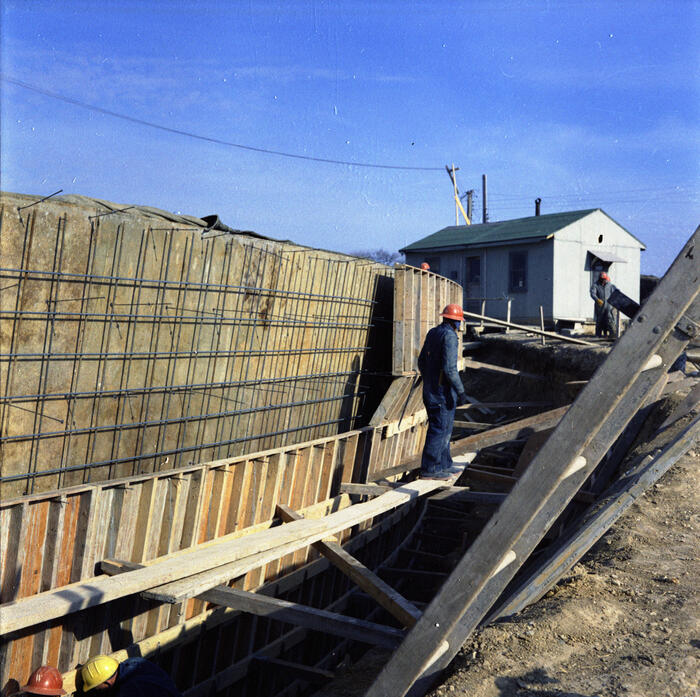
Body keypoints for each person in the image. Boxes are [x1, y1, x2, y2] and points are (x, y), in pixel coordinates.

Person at [417, 303, 468, 479]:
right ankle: (430, 470)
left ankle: (444, 465)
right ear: (457, 322)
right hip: (442, 393)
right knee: (439, 430)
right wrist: (461, 391)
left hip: (431, 390)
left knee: (445, 428)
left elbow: (421, 361)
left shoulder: (433, 332)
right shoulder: (450, 337)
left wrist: (430, 379)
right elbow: (450, 369)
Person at [80, 655, 182, 696]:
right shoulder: (134, 662)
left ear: (108, 682)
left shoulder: (131, 690)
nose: (96, 690)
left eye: (97, 688)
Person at [589, 271, 617, 338]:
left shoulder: (610, 285)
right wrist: (597, 299)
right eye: (602, 279)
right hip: (600, 306)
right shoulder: (595, 285)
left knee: (610, 319)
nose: (603, 280)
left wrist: (615, 303)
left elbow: (616, 293)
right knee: (599, 320)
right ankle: (598, 335)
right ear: (599, 278)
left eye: (604, 279)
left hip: (609, 306)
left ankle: (612, 334)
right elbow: (592, 293)